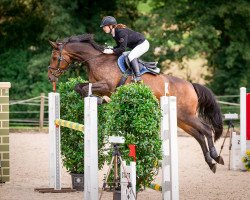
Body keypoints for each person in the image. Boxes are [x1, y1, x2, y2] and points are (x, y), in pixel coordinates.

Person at [100, 16, 150, 82]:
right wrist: (111, 48)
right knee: (129, 55)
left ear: (111, 26)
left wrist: (111, 51)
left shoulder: (120, 32)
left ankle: (138, 77)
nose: (103, 28)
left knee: (131, 56)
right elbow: (119, 46)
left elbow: (122, 49)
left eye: (104, 26)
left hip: (143, 44)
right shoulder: (114, 33)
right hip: (138, 45)